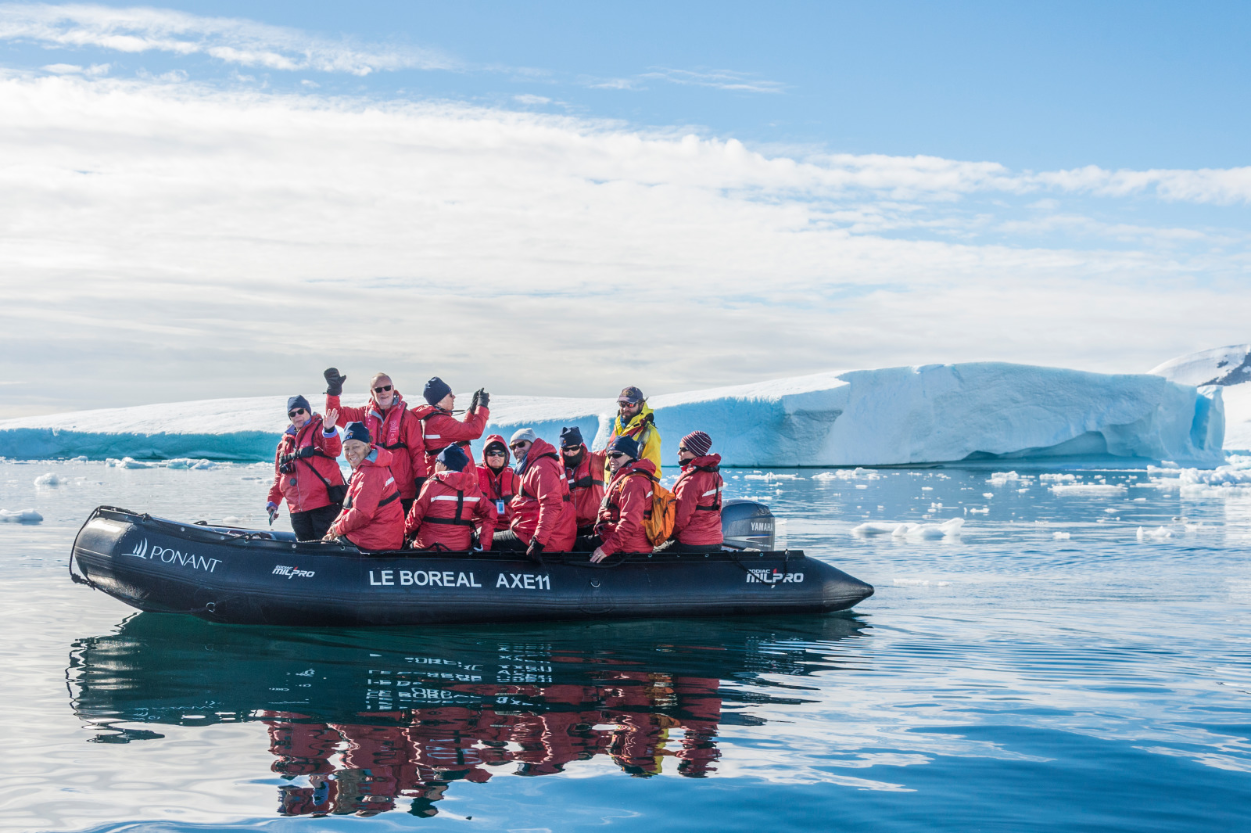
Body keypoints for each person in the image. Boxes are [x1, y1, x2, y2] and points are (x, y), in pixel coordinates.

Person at [323, 368, 427, 517]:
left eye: (387, 388)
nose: (383, 392)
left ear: (393, 389)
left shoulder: (407, 417)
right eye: (378, 389)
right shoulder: (363, 415)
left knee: (402, 533)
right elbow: (335, 414)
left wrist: (420, 481)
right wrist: (333, 392)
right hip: (372, 489)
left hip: (403, 490)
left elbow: (417, 452)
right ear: (372, 393)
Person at [266, 396, 346, 541]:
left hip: (323, 505)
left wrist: (329, 430)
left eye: (300, 411)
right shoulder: (284, 444)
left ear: (308, 411)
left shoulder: (320, 429)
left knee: (326, 545)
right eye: (292, 413)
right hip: (297, 509)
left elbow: (334, 450)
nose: (297, 416)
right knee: (305, 547)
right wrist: (273, 501)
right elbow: (279, 475)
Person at [493, 428, 576, 558]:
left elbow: (551, 505)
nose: (516, 449)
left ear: (533, 444)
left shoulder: (542, 466)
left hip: (545, 540)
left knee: (484, 540)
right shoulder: (534, 465)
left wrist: (538, 542)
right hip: (539, 534)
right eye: (513, 447)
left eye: (521, 444)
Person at [323, 422, 405, 551]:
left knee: (328, 549)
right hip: (376, 534)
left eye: (356, 447)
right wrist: (334, 526)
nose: (350, 453)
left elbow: (362, 513)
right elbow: (349, 507)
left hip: (377, 540)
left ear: (367, 446)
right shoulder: (366, 467)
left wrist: (337, 530)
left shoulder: (371, 472)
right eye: (346, 448)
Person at [405, 446, 497, 551]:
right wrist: (484, 545)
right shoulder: (472, 488)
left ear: (444, 465)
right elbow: (491, 512)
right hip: (461, 549)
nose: (435, 465)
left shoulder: (431, 485)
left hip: (429, 547)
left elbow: (415, 517)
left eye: (437, 461)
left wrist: (406, 534)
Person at [589, 435, 659, 563]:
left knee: (573, 547)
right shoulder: (623, 477)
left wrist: (606, 549)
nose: (612, 459)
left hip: (627, 547)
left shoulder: (634, 482)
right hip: (614, 539)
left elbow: (630, 523)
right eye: (609, 455)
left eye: (617, 455)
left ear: (631, 456)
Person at [410, 377, 491, 476]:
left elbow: (462, 432)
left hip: (452, 479)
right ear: (440, 401)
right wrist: (482, 406)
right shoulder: (440, 422)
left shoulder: (434, 419)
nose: (454, 397)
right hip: (454, 482)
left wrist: (472, 411)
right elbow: (475, 431)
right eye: (450, 395)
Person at [668, 431, 724, 551]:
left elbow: (681, 518)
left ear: (695, 451)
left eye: (683, 449)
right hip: (715, 540)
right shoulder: (715, 475)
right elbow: (718, 508)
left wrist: (666, 534)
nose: (678, 452)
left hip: (691, 542)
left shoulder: (691, 481)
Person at [604, 386, 661, 476]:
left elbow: (654, 468)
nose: (625, 408)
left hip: (632, 485)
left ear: (641, 404)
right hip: (612, 485)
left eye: (630, 404)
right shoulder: (618, 427)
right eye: (622, 404)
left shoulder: (649, 432)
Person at [560, 426, 606, 536]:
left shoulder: (596, 459)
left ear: (581, 445)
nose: (570, 453)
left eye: (574, 448)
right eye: (566, 449)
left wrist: (623, 424)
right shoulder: (556, 467)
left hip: (593, 525)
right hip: (566, 527)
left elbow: (615, 447)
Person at [477, 434, 519, 526]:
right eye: (491, 453)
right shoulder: (475, 476)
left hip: (508, 526)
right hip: (482, 526)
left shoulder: (514, 477)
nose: (496, 456)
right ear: (485, 456)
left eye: (501, 453)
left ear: (505, 457)